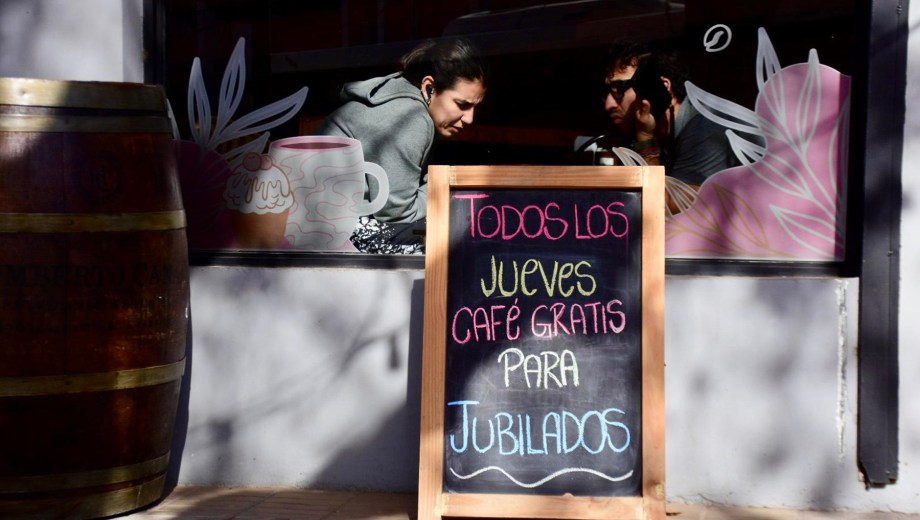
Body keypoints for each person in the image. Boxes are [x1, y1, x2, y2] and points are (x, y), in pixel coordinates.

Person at [315, 38, 488, 253]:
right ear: (429, 88)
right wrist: (446, 187)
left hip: (333, 225)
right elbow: (397, 215)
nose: (470, 119)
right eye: (462, 104)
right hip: (330, 235)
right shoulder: (410, 118)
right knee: (461, 236)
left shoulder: (402, 102)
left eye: (474, 107)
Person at [600, 42, 738, 188]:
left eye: (618, 89)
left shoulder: (706, 129)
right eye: (607, 92)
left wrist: (645, 139)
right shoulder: (667, 139)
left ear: (661, 87)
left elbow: (664, 205)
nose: (609, 104)